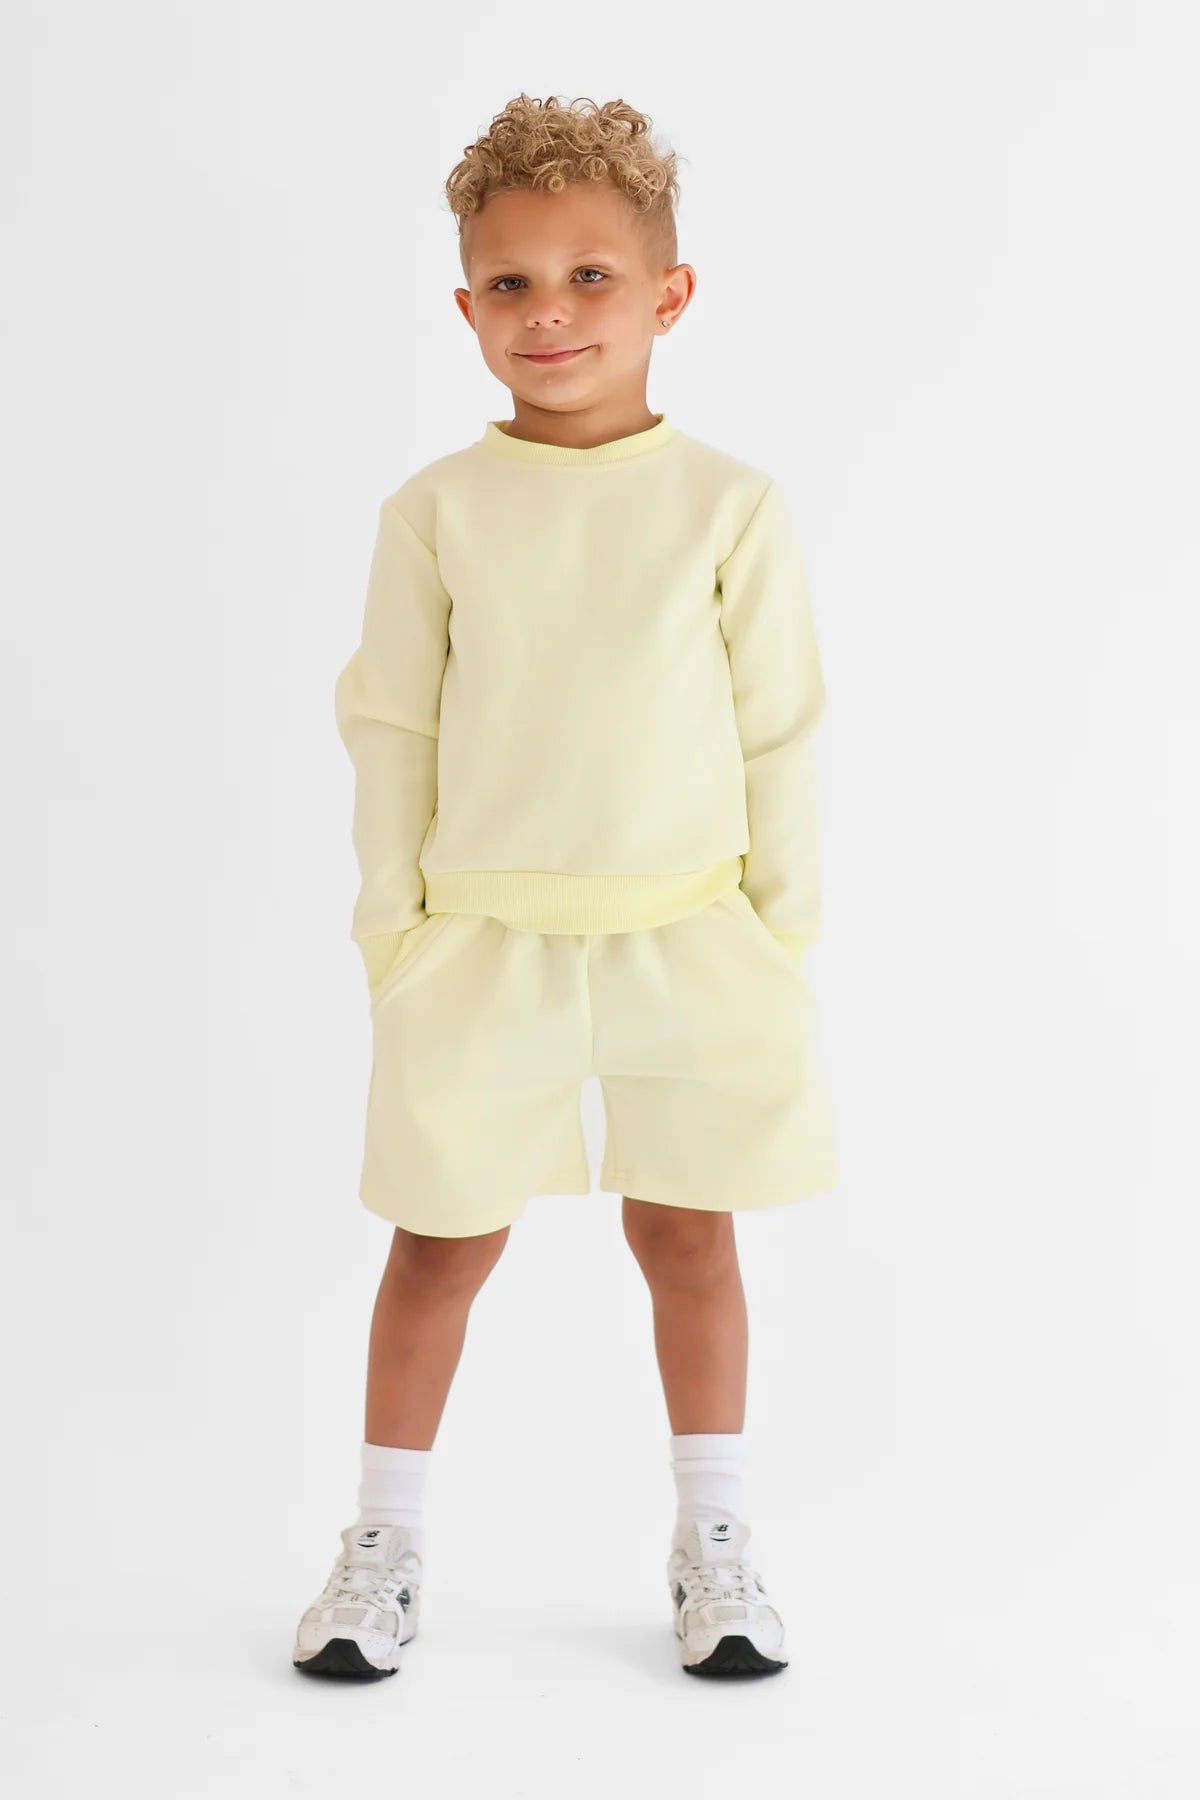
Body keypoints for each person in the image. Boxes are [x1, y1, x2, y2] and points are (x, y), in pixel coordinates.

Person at [293, 91, 837, 1683]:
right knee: (440, 1243)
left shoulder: (729, 504)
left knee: (691, 1235)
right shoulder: (438, 512)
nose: (550, 313)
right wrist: (397, 933)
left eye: (591, 276)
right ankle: (382, 1545)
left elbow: (780, 725)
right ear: (466, 306)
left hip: (691, 933)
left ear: (671, 295)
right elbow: (392, 725)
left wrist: (777, 930)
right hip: (483, 943)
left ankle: (715, 1541)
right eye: (512, 283)